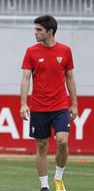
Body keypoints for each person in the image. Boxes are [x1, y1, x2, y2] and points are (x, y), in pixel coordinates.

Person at [20, 15, 78, 191]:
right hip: (38, 107)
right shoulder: (31, 51)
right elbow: (25, 78)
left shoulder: (65, 51)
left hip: (60, 106)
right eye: (35, 29)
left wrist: (74, 103)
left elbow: (70, 77)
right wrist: (23, 103)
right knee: (42, 145)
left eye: (39, 30)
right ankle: (44, 186)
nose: (35, 33)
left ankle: (58, 178)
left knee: (62, 141)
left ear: (50, 32)